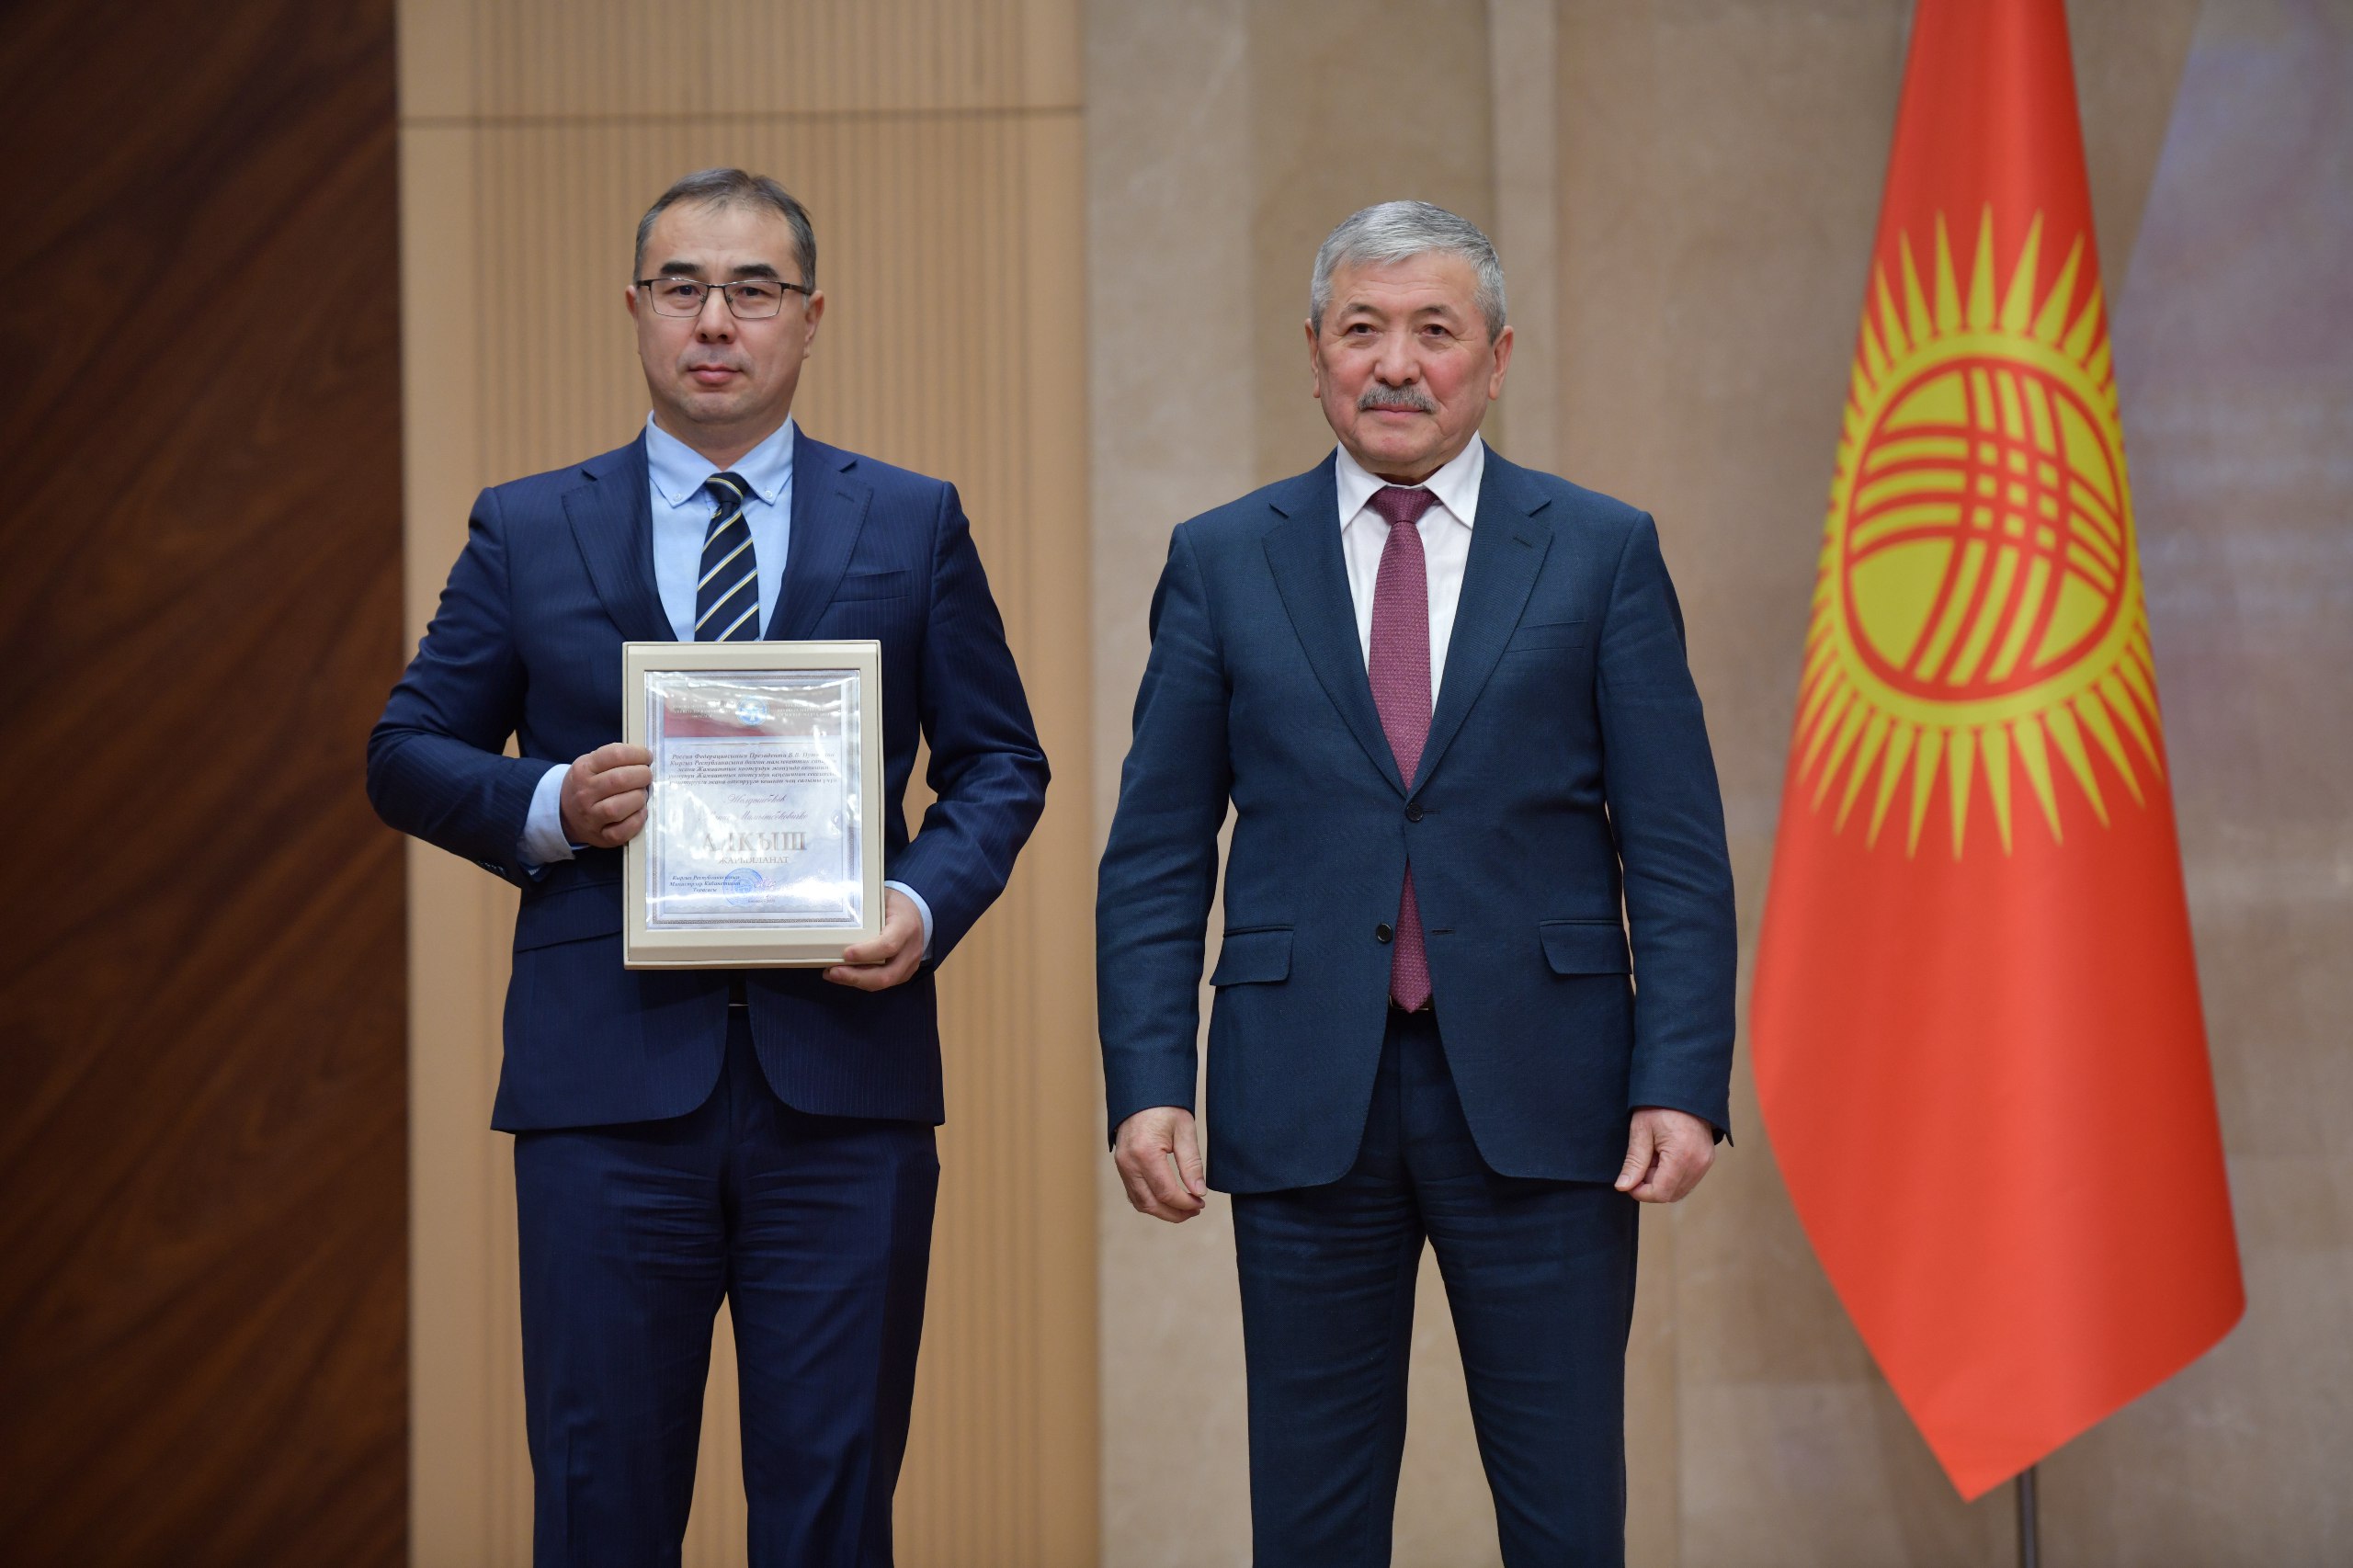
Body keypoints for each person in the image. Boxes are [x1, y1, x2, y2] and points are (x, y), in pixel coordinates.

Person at [369, 167, 1047, 1567]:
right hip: (604, 1092)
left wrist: (922, 899)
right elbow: (406, 750)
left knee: (834, 1509)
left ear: (811, 316)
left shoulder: (911, 519)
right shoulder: (528, 524)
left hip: (843, 1083)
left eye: (753, 290)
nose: (717, 321)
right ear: (635, 311)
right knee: (601, 1503)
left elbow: (999, 762)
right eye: (683, 288)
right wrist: (553, 801)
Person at [1096, 200, 1734, 1565]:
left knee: (1566, 1516)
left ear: (1495, 359)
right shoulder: (1222, 558)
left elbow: (1676, 849)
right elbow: (1156, 850)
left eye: (1434, 331)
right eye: (1362, 330)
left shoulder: (1601, 549)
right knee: (1313, 1524)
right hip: (1302, 1091)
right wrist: (1150, 1080)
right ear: (1313, 353)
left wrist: (1681, 1078)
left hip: (1553, 1093)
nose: (1396, 365)